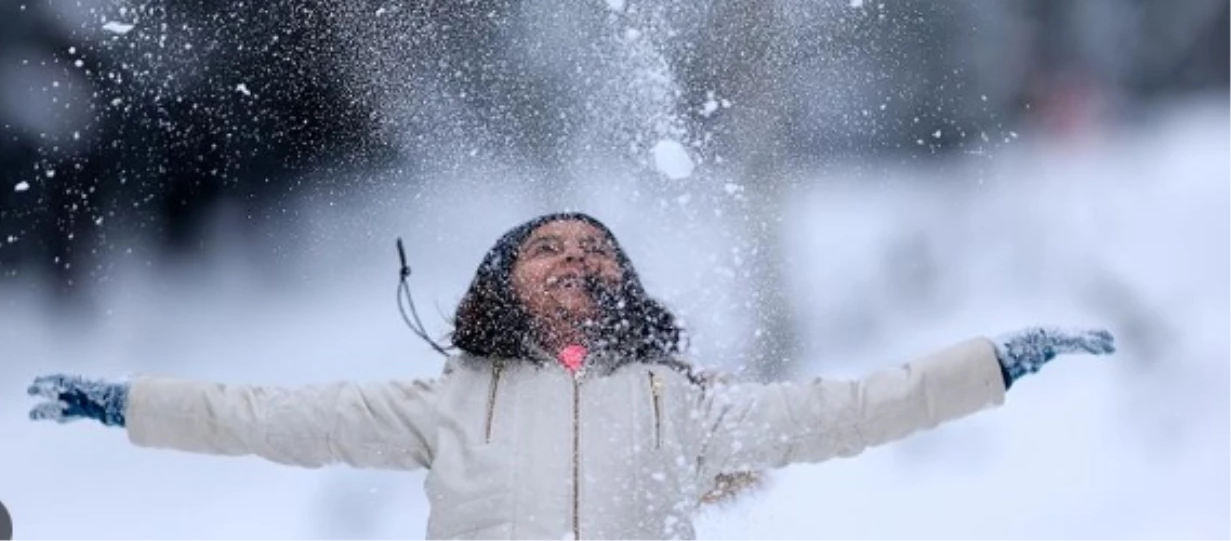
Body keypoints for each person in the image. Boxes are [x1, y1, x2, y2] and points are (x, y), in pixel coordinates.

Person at [26, 212, 1115, 541]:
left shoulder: (679, 406)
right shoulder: (447, 402)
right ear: (502, 285)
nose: (579, 259)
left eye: (598, 250)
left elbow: (848, 410)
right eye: (549, 248)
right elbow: (268, 416)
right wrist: (128, 403)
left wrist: (993, 365)